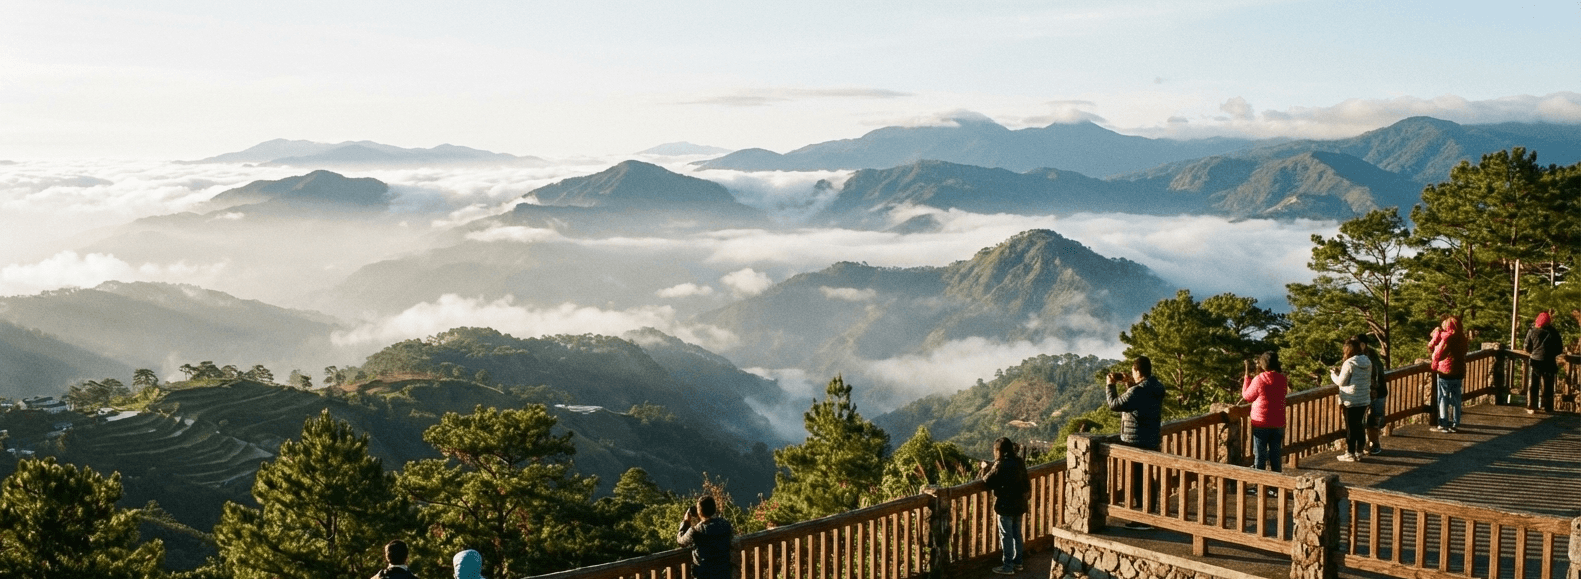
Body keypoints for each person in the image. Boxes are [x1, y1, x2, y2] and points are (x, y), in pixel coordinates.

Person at [1106, 355, 1165, 530]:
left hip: (1136, 441)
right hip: (1151, 438)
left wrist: (1110, 385)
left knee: (1137, 480)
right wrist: (1128, 384)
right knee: (1148, 478)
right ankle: (1149, 515)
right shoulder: (1155, 387)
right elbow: (1137, 401)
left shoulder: (1138, 391)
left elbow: (1114, 404)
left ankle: (1141, 519)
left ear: (1137, 371)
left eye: (1133, 371)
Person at [981, 437, 1031, 575]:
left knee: (1006, 536)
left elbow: (987, 481)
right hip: (1019, 504)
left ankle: (1007, 566)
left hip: (1005, 506)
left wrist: (985, 468)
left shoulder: (1000, 464)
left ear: (999, 450)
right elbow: (1026, 482)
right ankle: (1018, 563)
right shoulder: (1019, 462)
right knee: (1017, 534)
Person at [1242, 351, 1288, 474]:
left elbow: (1247, 396)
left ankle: (1260, 486)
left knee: (1260, 456)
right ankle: (1276, 486)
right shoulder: (1282, 379)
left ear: (1263, 364)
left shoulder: (1259, 380)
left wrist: (1247, 377)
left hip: (1261, 422)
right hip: (1278, 421)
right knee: (1275, 455)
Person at [1330, 337, 1372, 462]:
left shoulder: (1349, 363)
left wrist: (1333, 374)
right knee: (1359, 426)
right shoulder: (1367, 361)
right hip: (1364, 398)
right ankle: (1359, 452)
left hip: (1350, 400)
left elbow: (1341, 382)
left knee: (1351, 428)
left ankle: (1350, 453)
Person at [677, 495, 734, 579]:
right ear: (714, 508)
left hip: (704, 574)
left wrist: (686, 521)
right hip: (724, 573)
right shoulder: (726, 525)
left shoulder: (695, 531)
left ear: (699, 511)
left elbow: (680, 541)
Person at [1431, 316, 1468, 432]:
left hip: (1445, 372)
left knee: (1443, 398)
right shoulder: (1463, 338)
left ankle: (1443, 423)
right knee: (1456, 399)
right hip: (1458, 372)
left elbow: (1438, 354)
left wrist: (1434, 363)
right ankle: (1456, 423)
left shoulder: (1448, 338)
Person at [1523, 311, 1564, 414]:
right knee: (1548, 385)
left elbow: (1527, 346)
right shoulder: (1553, 332)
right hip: (1549, 361)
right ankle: (1548, 407)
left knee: (1533, 384)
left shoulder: (1532, 331)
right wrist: (1551, 354)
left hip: (1535, 361)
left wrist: (1532, 352)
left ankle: (1532, 406)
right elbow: (1559, 348)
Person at [1357, 335, 1387, 455]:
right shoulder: (1372, 355)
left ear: (1363, 344)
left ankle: (1373, 444)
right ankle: (1370, 445)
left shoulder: (1368, 358)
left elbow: (1374, 376)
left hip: (1375, 392)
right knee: (1370, 419)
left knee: (1371, 419)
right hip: (1376, 392)